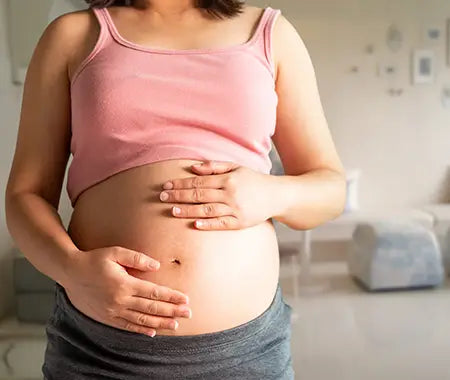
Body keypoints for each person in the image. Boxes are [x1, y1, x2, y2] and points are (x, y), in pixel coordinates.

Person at [4, 0, 346, 378]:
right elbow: (26, 195)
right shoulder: (72, 36)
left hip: (244, 355)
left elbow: (330, 188)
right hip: (101, 352)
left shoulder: (271, 34)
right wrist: (70, 270)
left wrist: (271, 194)